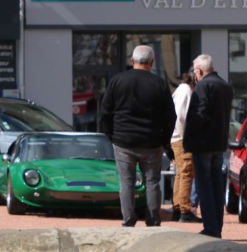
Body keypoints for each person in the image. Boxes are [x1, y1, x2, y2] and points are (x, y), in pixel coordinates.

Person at [98, 45, 177, 228]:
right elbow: (170, 117)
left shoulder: (118, 80)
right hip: (151, 142)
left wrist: (111, 135)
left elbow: (105, 112)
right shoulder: (159, 83)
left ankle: (128, 221)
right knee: (152, 183)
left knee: (127, 183)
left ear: (132, 61)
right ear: (152, 62)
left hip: (123, 141)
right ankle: (153, 221)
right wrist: (164, 141)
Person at [183, 53, 234, 239]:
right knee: (216, 186)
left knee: (204, 186)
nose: (194, 74)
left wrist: (187, 140)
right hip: (219, 143)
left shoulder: (203, 85)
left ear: (199, 70)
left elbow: (198, 114)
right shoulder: (225, 85)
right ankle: (217, 226)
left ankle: (211, 228)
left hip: (203, 143)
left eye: (195, 70)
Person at [169, 70, 200, 223]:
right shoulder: (186, 91)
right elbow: (181, 117)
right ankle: (185, 210)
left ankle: (177, 208)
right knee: (187, 173)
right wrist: (186, 139)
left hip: (176, 138)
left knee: (180, 174)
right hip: (182, 139)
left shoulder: (180, 90)